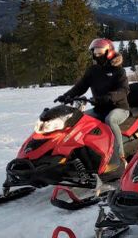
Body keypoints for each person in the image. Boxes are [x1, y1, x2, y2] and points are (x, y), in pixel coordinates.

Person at [55, 38, 129, 175]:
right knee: (79, 121)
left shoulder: (119, 71)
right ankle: (81, 157)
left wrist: (108, 97)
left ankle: (121, 158)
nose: (96, 55)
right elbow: (80, 86)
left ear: (109, 52)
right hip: (99, 108)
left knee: (110, 120)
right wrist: (66, 96)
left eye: (100, 51)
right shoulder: (93, 70)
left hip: (119, 108)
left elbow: (124, 91)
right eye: (94, 52)